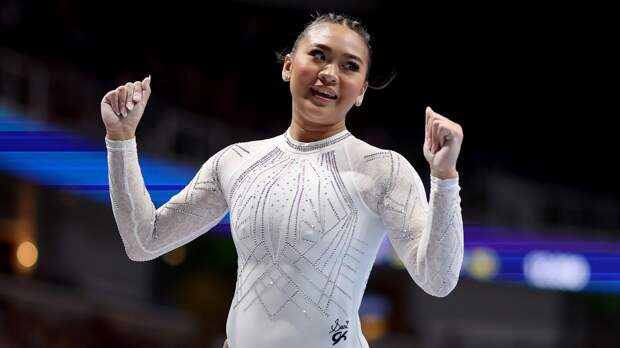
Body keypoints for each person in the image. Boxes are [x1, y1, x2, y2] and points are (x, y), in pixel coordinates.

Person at [101, 13, 464, 348]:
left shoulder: (382, 170)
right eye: (318, 55)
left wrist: (444, 179)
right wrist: (121, 140)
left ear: (361, 92)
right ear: (289, 66)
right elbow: (144, 241)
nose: (330, 73)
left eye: (349, 66)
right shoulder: (236, 162)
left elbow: (439, 279)